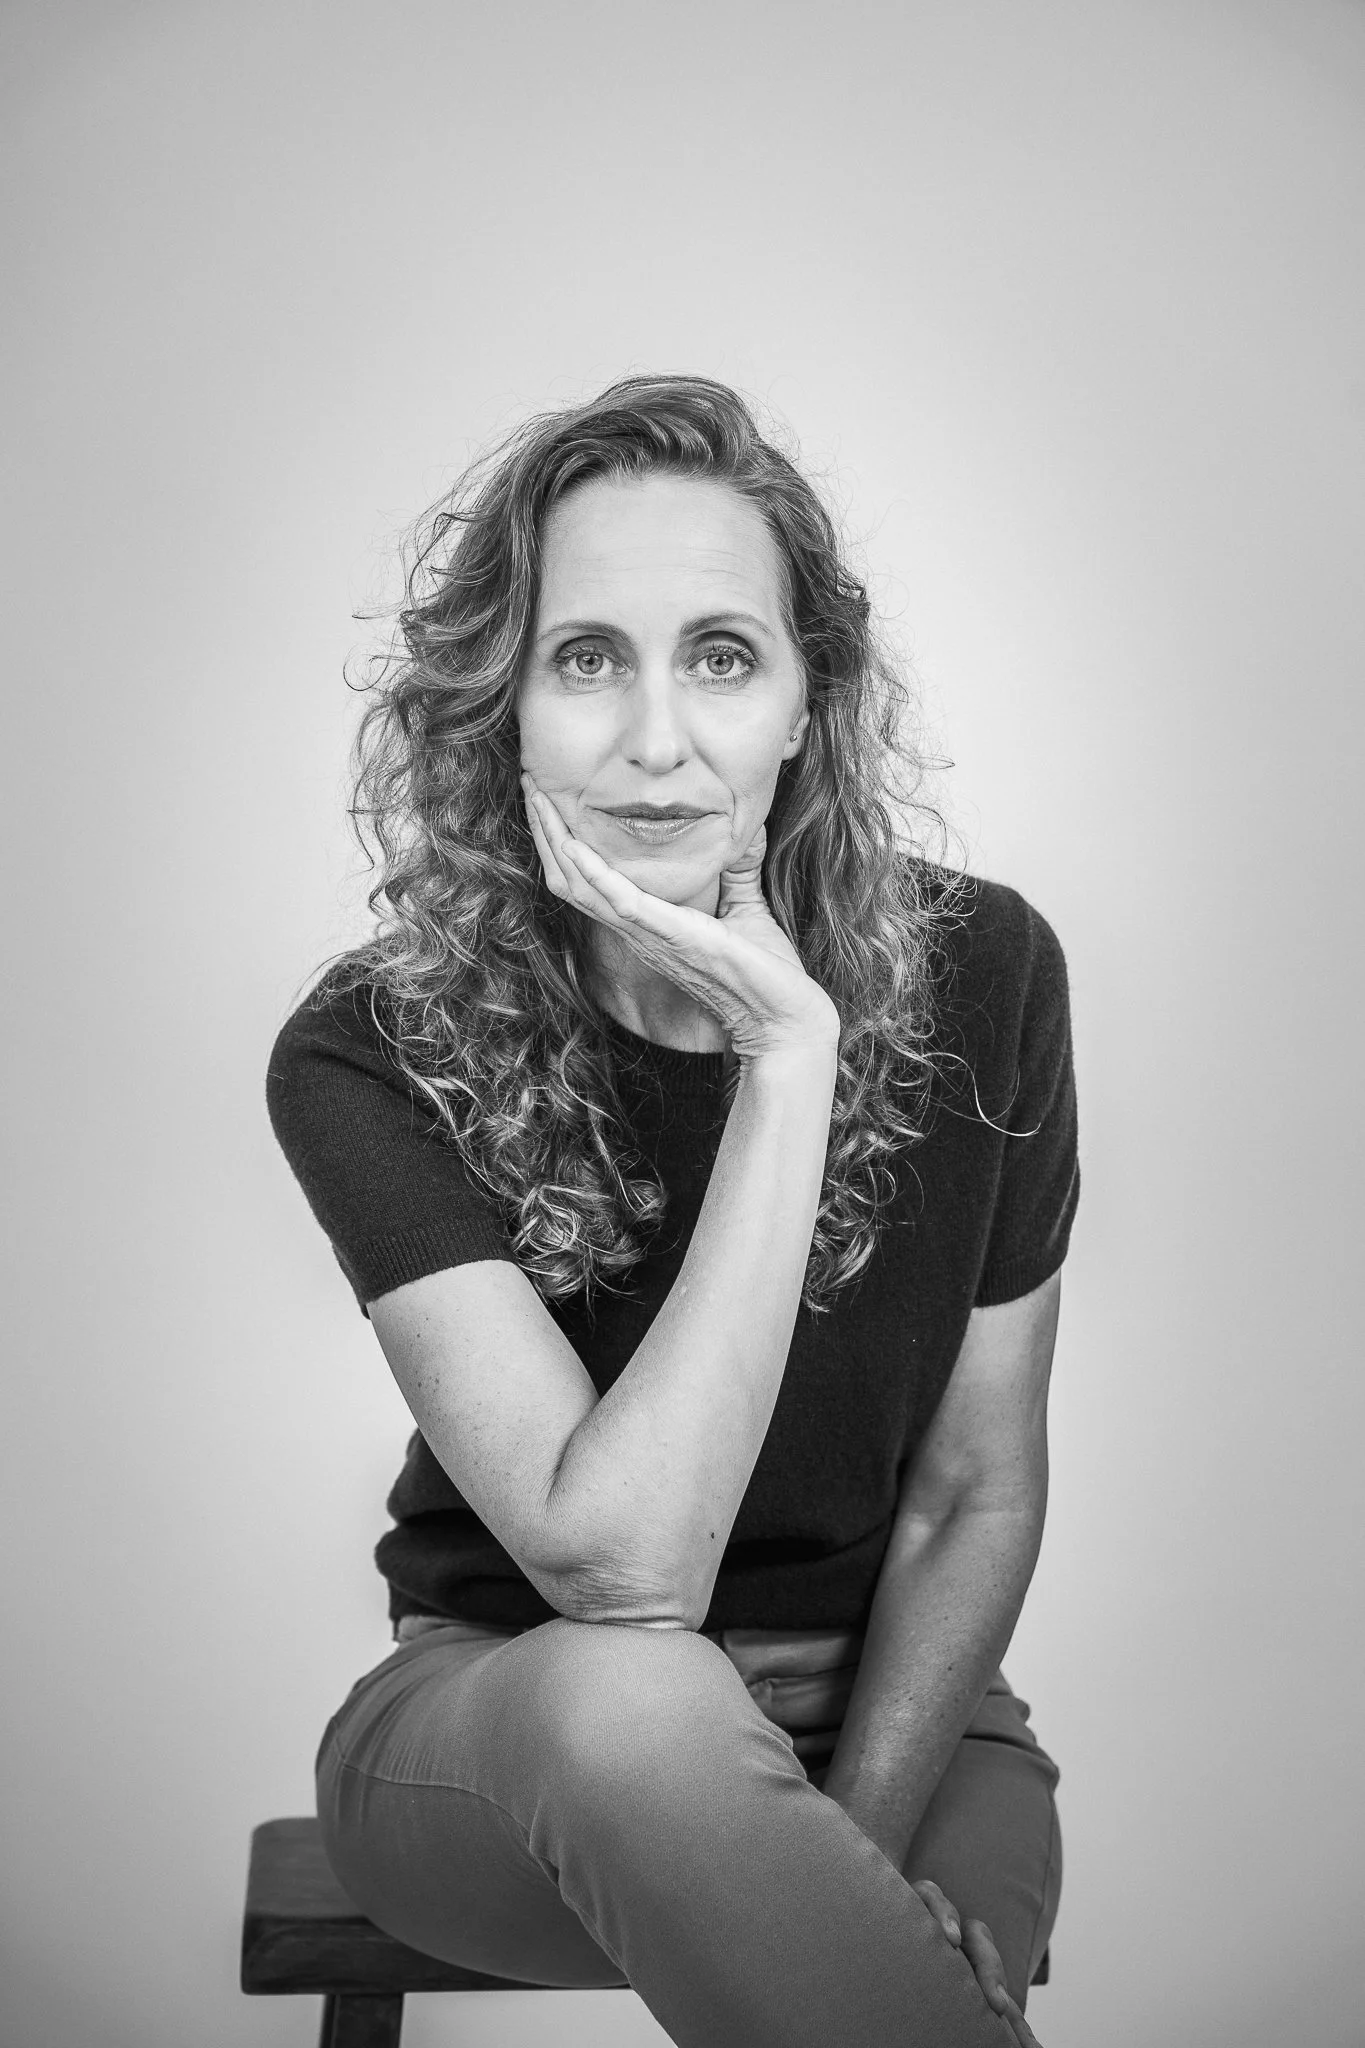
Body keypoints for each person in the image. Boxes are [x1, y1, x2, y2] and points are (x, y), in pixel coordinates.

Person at [266, 373, 1080, 2048]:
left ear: (806, 704)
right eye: (587, 660)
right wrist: (789, 1055)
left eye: (722, 655)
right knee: (637, 1703)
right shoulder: (367, 1051)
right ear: (506, 707)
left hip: (908, 1721)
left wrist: (839, 1844)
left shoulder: (991, 968)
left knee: (880, 1969)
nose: (656, 739)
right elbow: (622, 1575)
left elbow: (974, 1495)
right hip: (516, 1727)